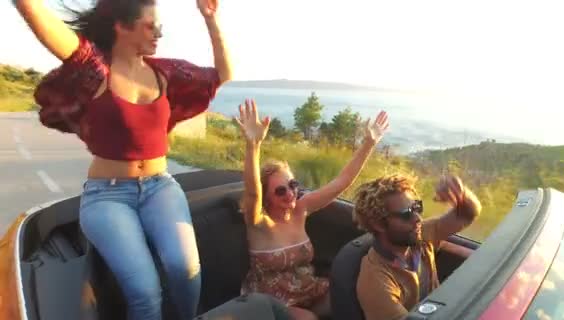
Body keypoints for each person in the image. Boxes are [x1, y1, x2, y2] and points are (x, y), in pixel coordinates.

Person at [13, 0, 232, 319]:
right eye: (150, 24)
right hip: (108, 196)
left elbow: (223, 74)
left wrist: (211, 20)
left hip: (160, 187)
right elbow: (52, 32)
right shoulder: (95, 68)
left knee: (186, 271)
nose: (158, 32)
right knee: (145, 293)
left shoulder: (165, 72)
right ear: (122, 27)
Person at [234, 99, 389, 320]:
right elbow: (252, 193)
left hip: (308, 292)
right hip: (270, 302)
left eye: (293, 185)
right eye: (280, 191)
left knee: (355, 295)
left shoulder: (300, 210)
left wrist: (369, 143)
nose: (290, 193)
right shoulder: (259, 223)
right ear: (267, 197)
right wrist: (253, 146)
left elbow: (341, 182)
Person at [353, 173, 482, 320]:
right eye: (406, 214)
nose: (418, 218)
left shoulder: (419, 235)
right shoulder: (375, 281)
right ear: (379, 224)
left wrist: (461, 195)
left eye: (416, 207)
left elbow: (467, 215)